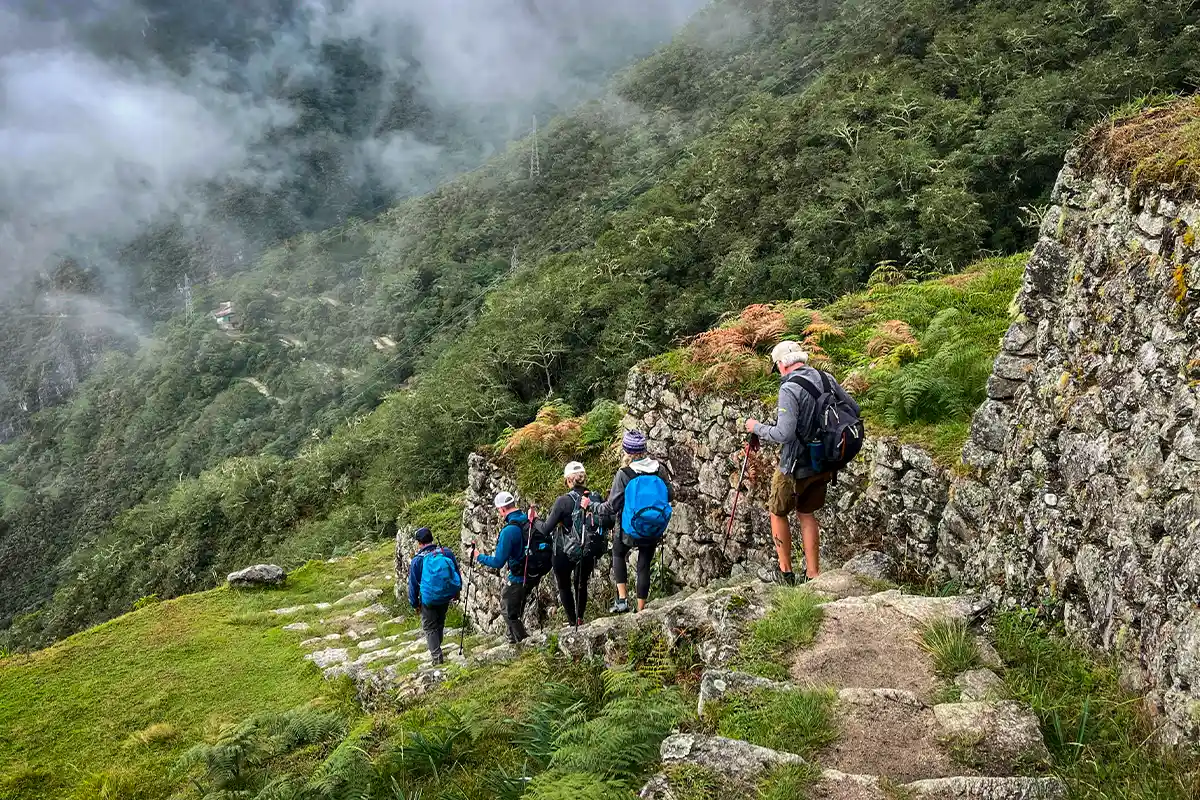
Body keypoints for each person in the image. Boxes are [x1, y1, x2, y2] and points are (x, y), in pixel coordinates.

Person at [745, 340, 859, 584]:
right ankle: (813, 574)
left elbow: (784, 434)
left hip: (793, 465)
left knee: (777, 511)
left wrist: (757, 427)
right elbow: (853, 408)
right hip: (824, 462)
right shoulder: (826, 378)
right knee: (806, 514)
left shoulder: (789, 389)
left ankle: (785, 572)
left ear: (781, 365)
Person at [585, 430, 673, 614]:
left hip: (628, 529)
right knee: (644, 565)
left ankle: (623, 600)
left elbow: (612, 506)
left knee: (618, 553)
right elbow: (670, 495)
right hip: (653, 527)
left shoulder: (624, 474)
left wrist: (591, 506)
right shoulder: (659, 469)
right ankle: (641, 609)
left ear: (626, 451)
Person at [539, 461, 601, 627]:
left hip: (566, 551)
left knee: (564, 584)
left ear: (568, 481)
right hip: (588, 548)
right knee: (581, 583)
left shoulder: (563, 501)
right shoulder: (594, 497)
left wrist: (535, 521)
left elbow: (546, 529)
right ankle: (580, 617)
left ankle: (573, 621)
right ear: (584, 477)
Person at [476, 491, 537, 643]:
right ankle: (512, 638)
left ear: (502, 509)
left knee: (508, 611)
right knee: (516, 607)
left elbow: (498, 562)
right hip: (534, 571)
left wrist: (479, 557)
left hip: (518, 575)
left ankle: (523, 642)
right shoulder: (529, 520)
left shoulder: (509, 531)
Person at [406, 527, 461, 665]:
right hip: (445, 596)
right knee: (440, 622)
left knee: (429, 627)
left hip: (428, 599)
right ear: (431, 539)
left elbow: (413, 585)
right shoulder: (446, 553)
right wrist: (456, 591)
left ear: (419, 543)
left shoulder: (417, 561)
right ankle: (438, 648)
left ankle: (437, 658)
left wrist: (414, 603)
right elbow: (455, 572)